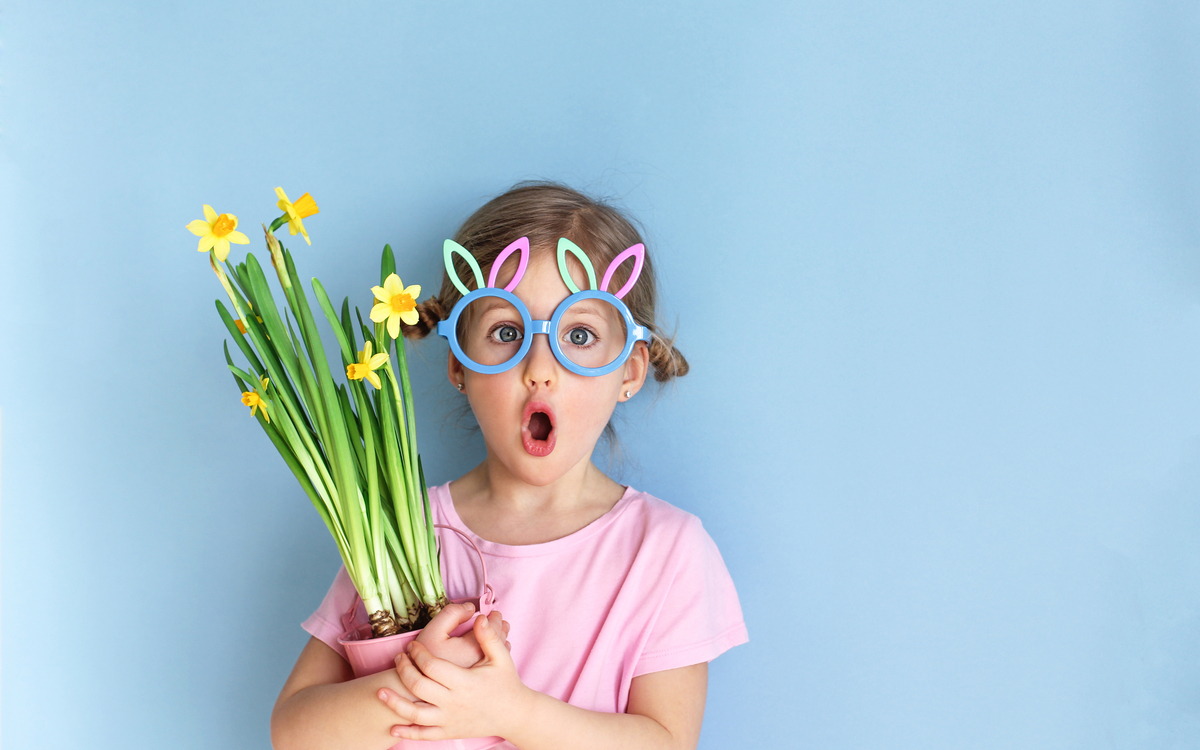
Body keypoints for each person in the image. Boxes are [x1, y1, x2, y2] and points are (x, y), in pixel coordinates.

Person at [270, 182, 748, 750]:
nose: (540, 369)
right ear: (458, 364)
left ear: (629, 370)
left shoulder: (665, 550)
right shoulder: (397, 533)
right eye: (506, 332)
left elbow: (667, 743)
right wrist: (421, 680)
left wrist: (508, 711)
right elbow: (294, 731)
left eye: (579, 334)